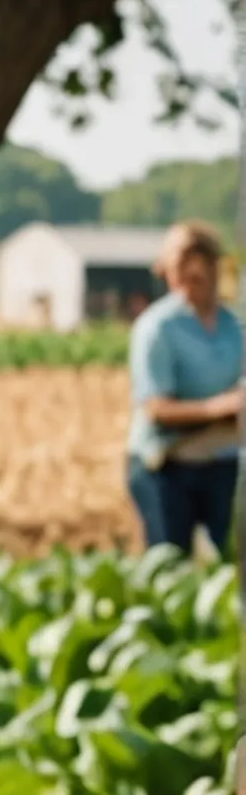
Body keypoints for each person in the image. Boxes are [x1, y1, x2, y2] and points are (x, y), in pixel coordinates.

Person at [125, 219, 241, 555]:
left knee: (225, 562)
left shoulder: (232, 325)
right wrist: (220, 407)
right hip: (166, 466)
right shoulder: (157, 327)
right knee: (170, 565)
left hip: (221, 461)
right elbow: (156, 409)